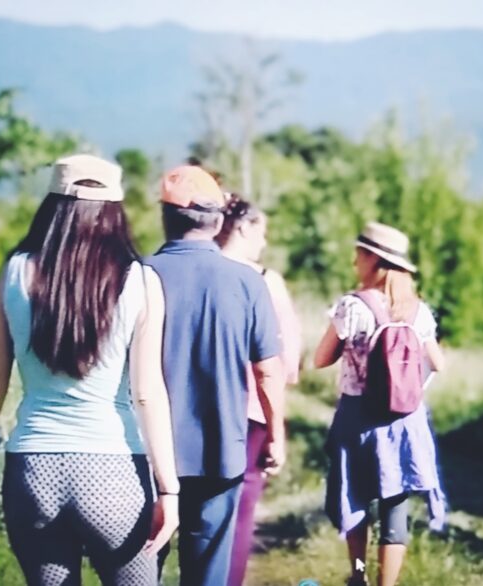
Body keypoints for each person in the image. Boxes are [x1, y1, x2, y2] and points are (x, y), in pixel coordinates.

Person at [0, 154, 179, 586]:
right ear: (115, 210)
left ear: (52, 205)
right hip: (114, 472)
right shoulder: (138, 280)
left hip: (32, 469)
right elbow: (146, 393)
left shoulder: (14, 272)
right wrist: (169, 489)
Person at [146, 167, 287, 586]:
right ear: (219, 221)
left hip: (148, 455)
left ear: (166, 218)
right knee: (207, 573)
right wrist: (276, 433)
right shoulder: (247, 282)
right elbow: (267, 372)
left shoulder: (137, 276)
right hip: (218, 451)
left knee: (141, 567)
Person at [313, 222, 446, 586]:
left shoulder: (353, 306)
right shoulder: (418, 311)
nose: (355, 260)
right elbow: (439, 362)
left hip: (358, 418)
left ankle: (358, 577)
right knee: (394, 505)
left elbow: (320, 359)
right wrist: (411, 384)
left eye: (359, 253)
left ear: (373, 259)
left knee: (355, 500)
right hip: (406, 419)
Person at [216, 194, 303, 586]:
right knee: (242, 510)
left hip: (196, 407)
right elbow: (287, 362)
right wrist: (276, 428)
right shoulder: (267, 280)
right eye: (262, 231)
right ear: (245, 226)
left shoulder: (200, 268)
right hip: (251, 409)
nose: (264, 242)